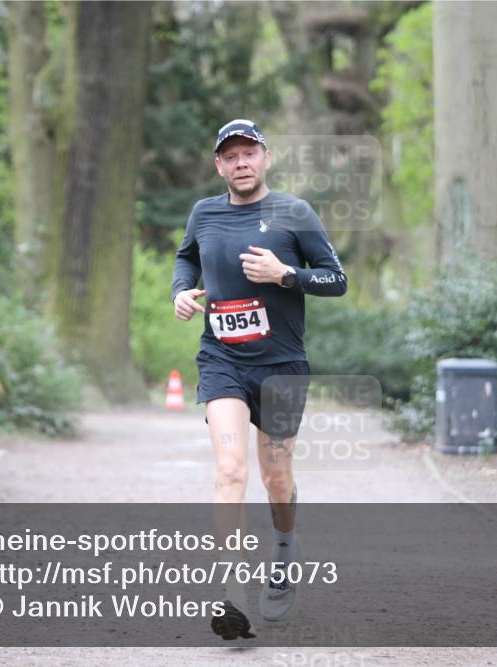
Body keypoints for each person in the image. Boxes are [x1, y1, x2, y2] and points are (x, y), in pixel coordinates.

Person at [171, 119, 347, 639]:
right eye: (230, 156)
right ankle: (230, 594)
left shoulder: (294, 212)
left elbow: (336, 279)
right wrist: (181, 291)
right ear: (218, 166)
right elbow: (186, 259)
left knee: (276, 478)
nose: (240, 162)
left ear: (266, 158)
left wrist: (286, 275)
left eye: (249, 153)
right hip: (222, 359)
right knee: (229, 469)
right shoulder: (204, 213)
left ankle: (285, 550)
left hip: (282, 366)